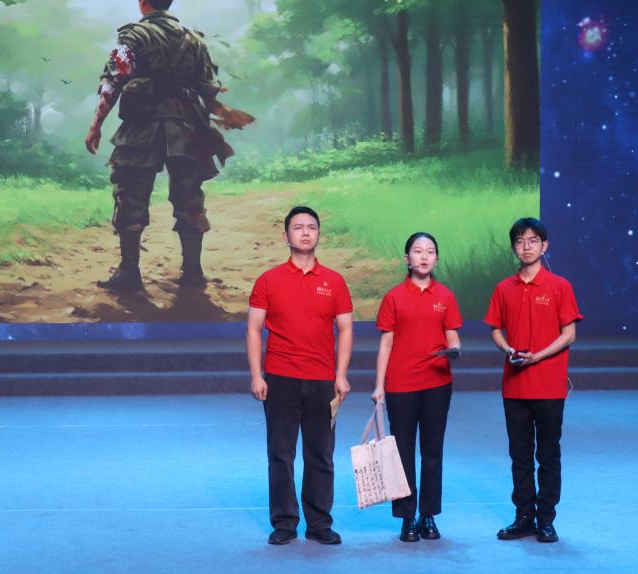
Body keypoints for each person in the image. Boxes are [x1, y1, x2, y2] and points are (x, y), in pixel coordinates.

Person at [84, 0, 253, 291]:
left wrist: (96, 124)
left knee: (130, 196)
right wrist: (224, 113)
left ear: (142, 4)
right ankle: (193, 273)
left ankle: (129, 273)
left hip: (142, 126)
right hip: (187, 127)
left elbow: (114, 80)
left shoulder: (133, 36)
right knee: (190, 199)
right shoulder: (195, 39)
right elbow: (208, 90)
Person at [246, 206, 353, 546]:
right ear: (286, 236)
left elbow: (345, 329)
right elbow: (254, 329)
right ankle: (284, 522)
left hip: (323, 380)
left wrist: (341, 375)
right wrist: (257, 375)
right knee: (281, 454)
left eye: (311, 227)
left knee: (321, 454)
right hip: (280, 377)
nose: (305, 233)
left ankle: (319, 523)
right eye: (298, 227)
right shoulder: (268, 280)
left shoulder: (334, 281)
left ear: (318, 234)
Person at [485, 217, 582, 544]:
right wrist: (507, 348)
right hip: (514, 386)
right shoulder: (504, 288)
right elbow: (495, 329)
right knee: (520, 454)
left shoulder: (559, 286)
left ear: (545, 245)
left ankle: (546, 519)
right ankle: (524, 517)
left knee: (549, 454)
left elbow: (569, 333)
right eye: (520, 241)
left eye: (533, 240)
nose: (526, 247)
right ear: (514, 247)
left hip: (549, 385)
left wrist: (538, 356)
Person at [372, 232, 462, 542]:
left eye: (430, 251)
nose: (424, 256)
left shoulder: (445, 296)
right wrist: (379, 385)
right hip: (401, 384)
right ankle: (407, 516)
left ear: (436, 259)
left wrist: (455, 348)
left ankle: (428, 515)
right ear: (407, 259)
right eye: (418, 251)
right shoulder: (394, 297)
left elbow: (452, 334)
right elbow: (386, 344)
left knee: (432, 452)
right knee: (403, 452)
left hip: (437, 383)